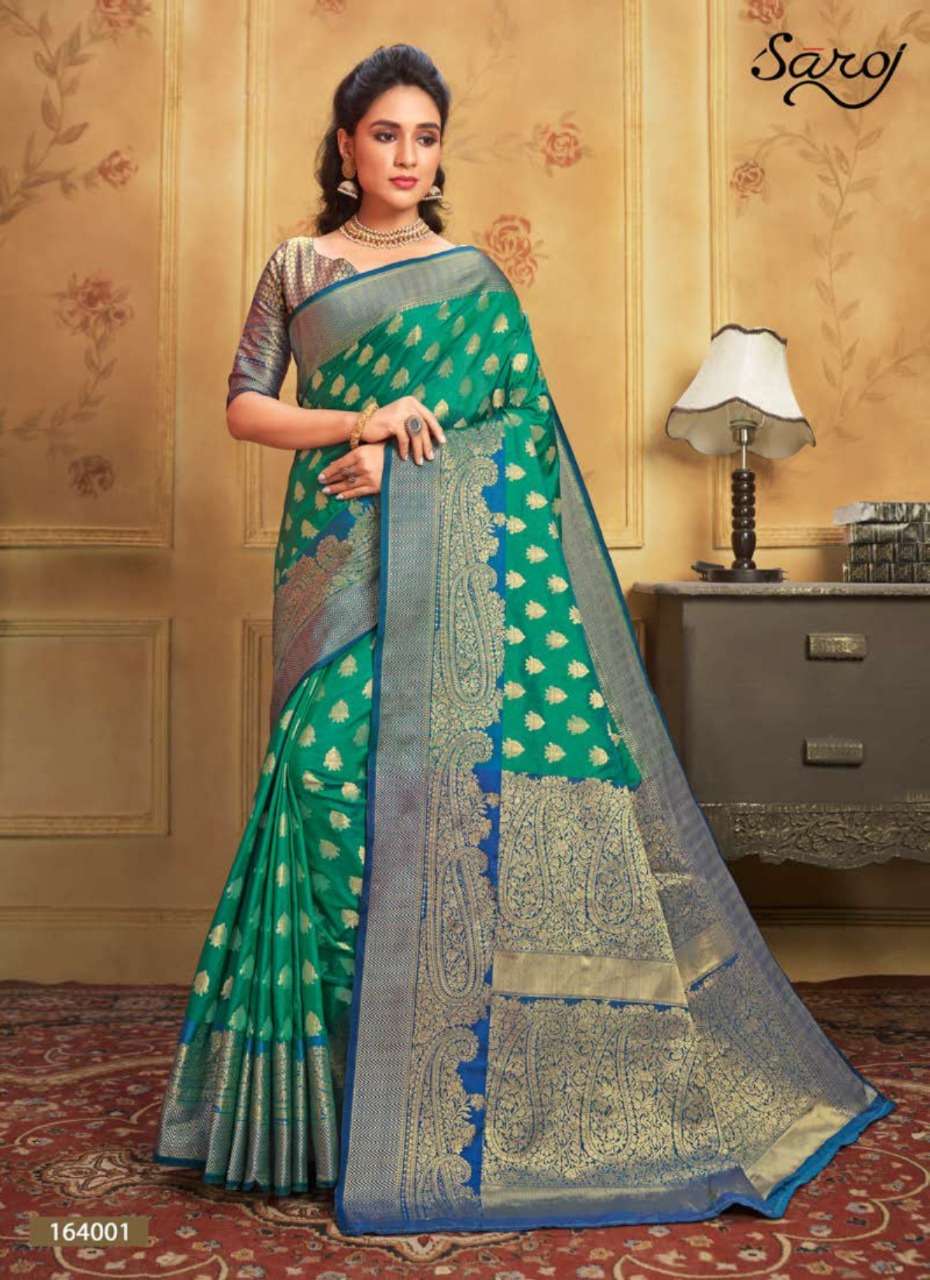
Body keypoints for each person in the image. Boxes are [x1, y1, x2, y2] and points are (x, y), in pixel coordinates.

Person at [152, 42, 895, 1236]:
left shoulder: (472, 279)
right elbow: (245, 406)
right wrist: (361, 420)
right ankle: (323, 1113)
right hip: (335, 570)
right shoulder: (298, 265)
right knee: (320, 791)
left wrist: (405, 468)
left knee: (434, 807)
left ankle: (436, 1094)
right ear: (345, 145)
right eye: (385, 133)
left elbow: (522, 434)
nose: (407, 155)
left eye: (426, 136)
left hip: (442, 576)